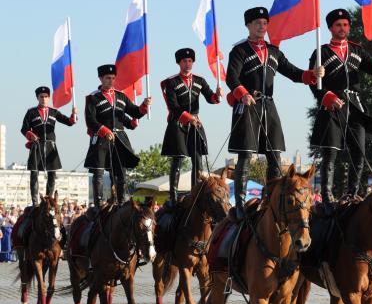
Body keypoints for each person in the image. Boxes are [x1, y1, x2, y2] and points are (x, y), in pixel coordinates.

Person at [226, 7, 324, 218]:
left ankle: (270, 198)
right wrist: (241, 92)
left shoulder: (274, 51)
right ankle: (240, 203)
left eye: (264, 23)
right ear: (248, 26)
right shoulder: (240, 51)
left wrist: (312, 74)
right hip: (247, 104)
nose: (262, 26)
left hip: (268, 105)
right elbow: (231, 78)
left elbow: (294, 73)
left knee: (275, 155)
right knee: (246, 154)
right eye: (257, 23)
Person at [308, 9, 372, 214]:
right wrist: (327, 96)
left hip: (355, 107)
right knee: (331, 154)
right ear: (330, 28)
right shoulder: (321, 52)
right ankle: (327, 198)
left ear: (349, 27)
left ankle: (353, 195)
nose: (342, 28)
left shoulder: (356, 49)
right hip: (331, 106)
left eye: (345, 25)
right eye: (338, 25)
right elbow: (313, 83)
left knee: (358, 153)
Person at [161, 48, 223, 205]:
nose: (187, 64)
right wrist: (188, 118)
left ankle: (196, 193)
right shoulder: (171, 82)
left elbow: (210, 97)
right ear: (178, 63)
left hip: (196, 124)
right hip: (178, 123)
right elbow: (173, 106)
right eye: (184, 61)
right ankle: (173, 198)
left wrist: (217, 95)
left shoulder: (199, 80)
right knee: (178, 160)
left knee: (198, 160)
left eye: (190, 61)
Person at [84, 64, 152, 207]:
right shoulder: (93, 97)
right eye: (108, 78)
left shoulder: (121, 96)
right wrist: (104, 131)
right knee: (99, 174)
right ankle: (98, 205)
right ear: (101, 78)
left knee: (121, 173)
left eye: (113, 78)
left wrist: (144, 105)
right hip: (101, 140)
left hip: (120, 139)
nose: (111, 81)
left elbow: (135, 112)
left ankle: (121, 202)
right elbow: (91, 120)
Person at [21, 86, 77, 205]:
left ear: (49, 97)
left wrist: (73, 115)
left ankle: (48, 198)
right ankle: (35, 202)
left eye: (46, 97)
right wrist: (31, 135)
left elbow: (69, 122)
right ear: (37, 98)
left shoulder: (54, 112)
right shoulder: (31, 112)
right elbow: (24, 129)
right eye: (41, 97)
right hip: (37, 146)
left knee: (52, 174)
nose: (44, 99)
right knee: (34, 174)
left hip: (51, 146)